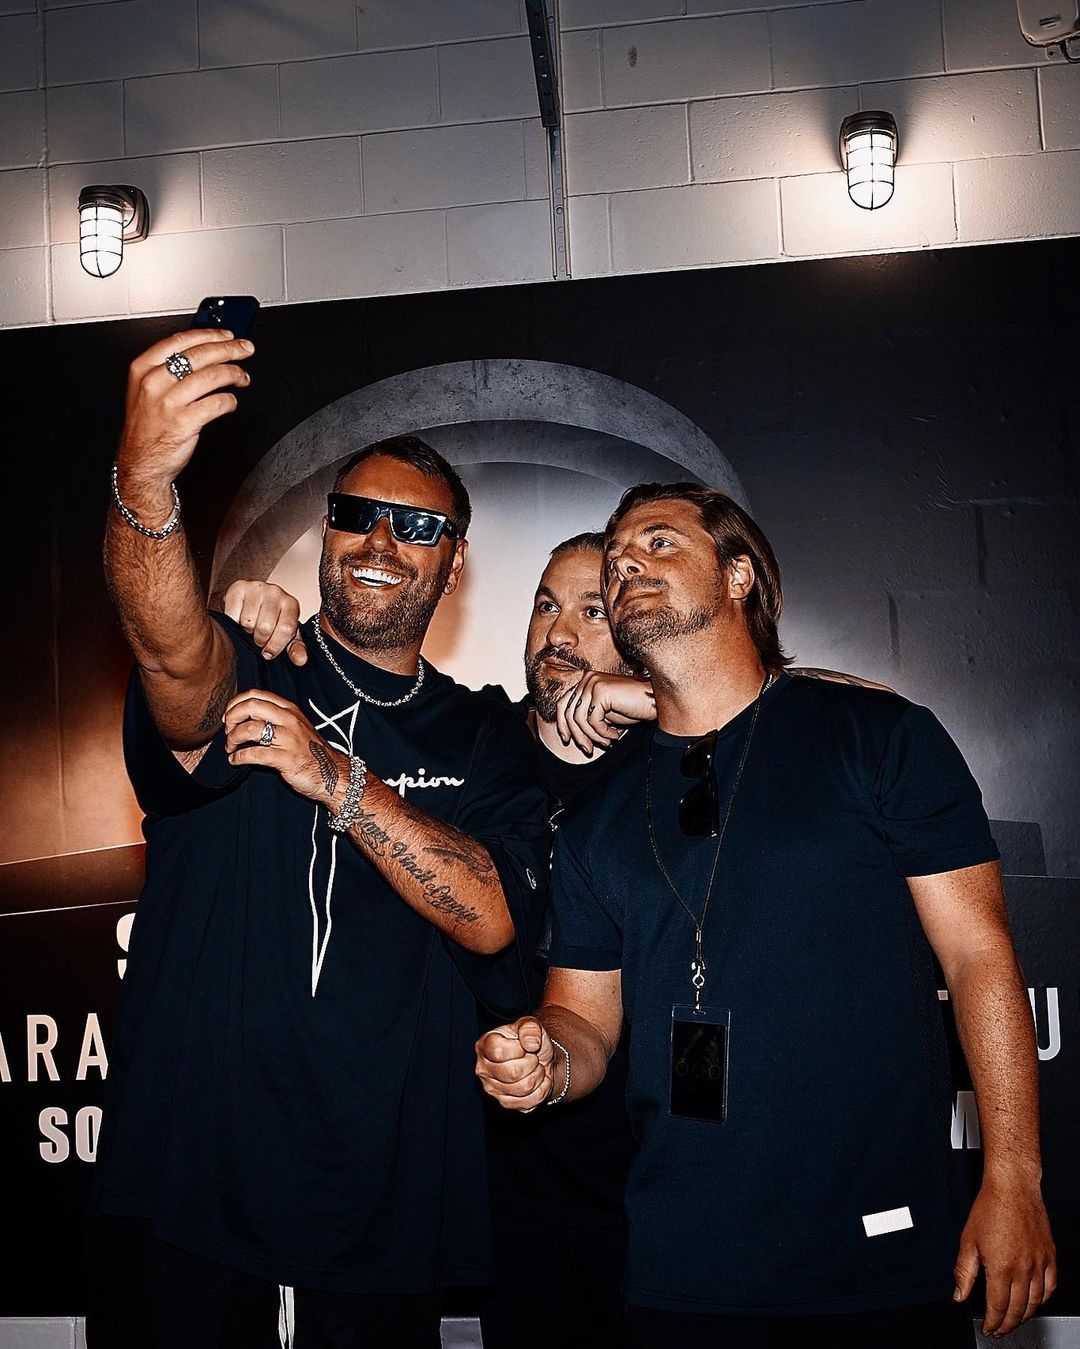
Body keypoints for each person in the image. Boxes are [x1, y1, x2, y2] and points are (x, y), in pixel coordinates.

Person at [476, 482, 1057, 1347]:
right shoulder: (600, 818)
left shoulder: (876, 737)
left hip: (875, 1260)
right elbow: (583, 1017)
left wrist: (1014, 1176)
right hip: (679, 1277)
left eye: (659, 542)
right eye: (617, 559)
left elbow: (979, 953)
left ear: (739, 573)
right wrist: (546, 1060)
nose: (628, 562)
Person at [90, 327, 549, 1349]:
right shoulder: (252, 659)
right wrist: (146, 486)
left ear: (454, 562)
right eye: (355, 516)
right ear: (326, 534)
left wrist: (335, 777)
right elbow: (170, 657)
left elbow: (492, 915)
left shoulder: (484, 732)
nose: (380, 542)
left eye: (416, 526)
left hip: (375, 1225)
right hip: (189, 1207)